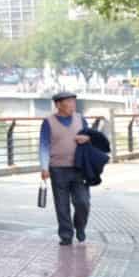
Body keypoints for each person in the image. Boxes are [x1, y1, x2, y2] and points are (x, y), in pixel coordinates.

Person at [40, 90, 92, 245]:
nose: (72, 105)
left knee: (83, 202)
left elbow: (91, 137)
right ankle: (66, 235)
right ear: (58, 105)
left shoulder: (80, 119)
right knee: (61, 205)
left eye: (73, 102)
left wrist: (87, 138)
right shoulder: (48, 122)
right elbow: (43, 146)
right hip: (57, 169)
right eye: (68, 102)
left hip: (79, 169)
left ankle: (80, 227)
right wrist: (44, 167)